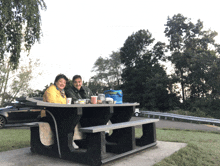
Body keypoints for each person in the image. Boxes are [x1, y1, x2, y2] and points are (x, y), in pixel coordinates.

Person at [40, 74, 79, 149]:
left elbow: (65, 103)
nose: (62, 84)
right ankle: (66, 143)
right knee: (70, 119)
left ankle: (69, 141)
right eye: (60, 81)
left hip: (59, 113)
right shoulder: (51, 90)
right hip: (49, 114)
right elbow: (52, 104)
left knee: (74, 117)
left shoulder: (61, 92)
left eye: (64, 83)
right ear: (55, 82)